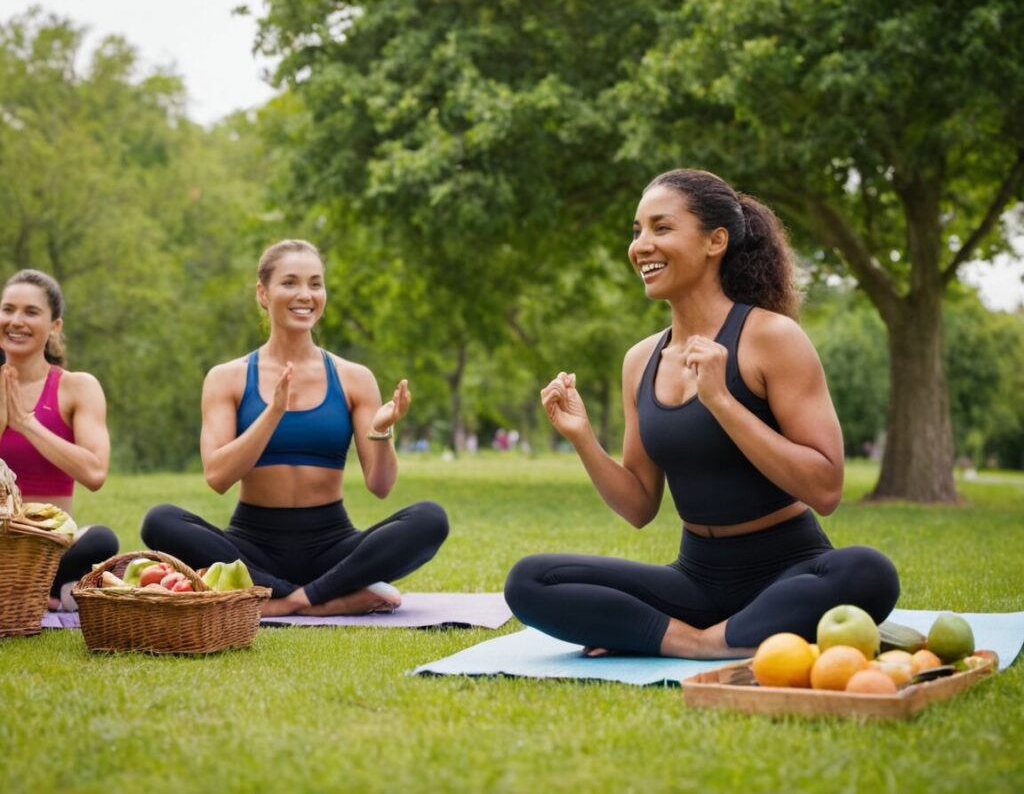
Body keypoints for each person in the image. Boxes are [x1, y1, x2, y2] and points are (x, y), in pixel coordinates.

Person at [504, 169, 899, 658]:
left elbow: (826, 488)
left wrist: (723, 402)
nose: (641, 246)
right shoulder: (640, 360)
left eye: (661, 228)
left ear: (716, 241)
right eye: (637, 231)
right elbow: (639, 507)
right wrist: (583, 437)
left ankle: (692, 637)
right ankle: (701, 641)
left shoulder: (771, 338)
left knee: (867, 571)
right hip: (696, 582)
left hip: (791, 571)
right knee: (531, 580)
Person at [141, 240, 449, 615]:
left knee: (431, 519)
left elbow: (380, 487)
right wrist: (273, 412)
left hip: (333, 547)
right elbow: (218, 476)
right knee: (160, 521)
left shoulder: (354, 378)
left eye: (315, 284)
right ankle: (320, 599)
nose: (305, 295)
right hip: (251, 548)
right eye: (289, 283)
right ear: (263, 293)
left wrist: (382, 432)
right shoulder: (228, 378)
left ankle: (289, 600)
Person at [0, 270, 118, 610]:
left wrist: (26, 423)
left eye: (31, 312)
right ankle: (53, 595)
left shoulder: (77, 387)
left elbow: (95, 473)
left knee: (101, 539)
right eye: (8, 309)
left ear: (55, 326)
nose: (16, 321)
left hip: (51, 549)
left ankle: (43, 591)